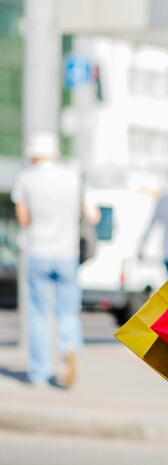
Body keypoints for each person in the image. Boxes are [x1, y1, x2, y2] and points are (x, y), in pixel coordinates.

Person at [11, 130, 99, 388]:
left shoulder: (26, 178)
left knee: (38, 312)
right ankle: (69, 348)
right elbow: (92, 216)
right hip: (67, 253)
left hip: (38, 251)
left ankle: (39, 372)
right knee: (68, 311)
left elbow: (23, 219)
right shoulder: (72, 176)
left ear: (34, 155)